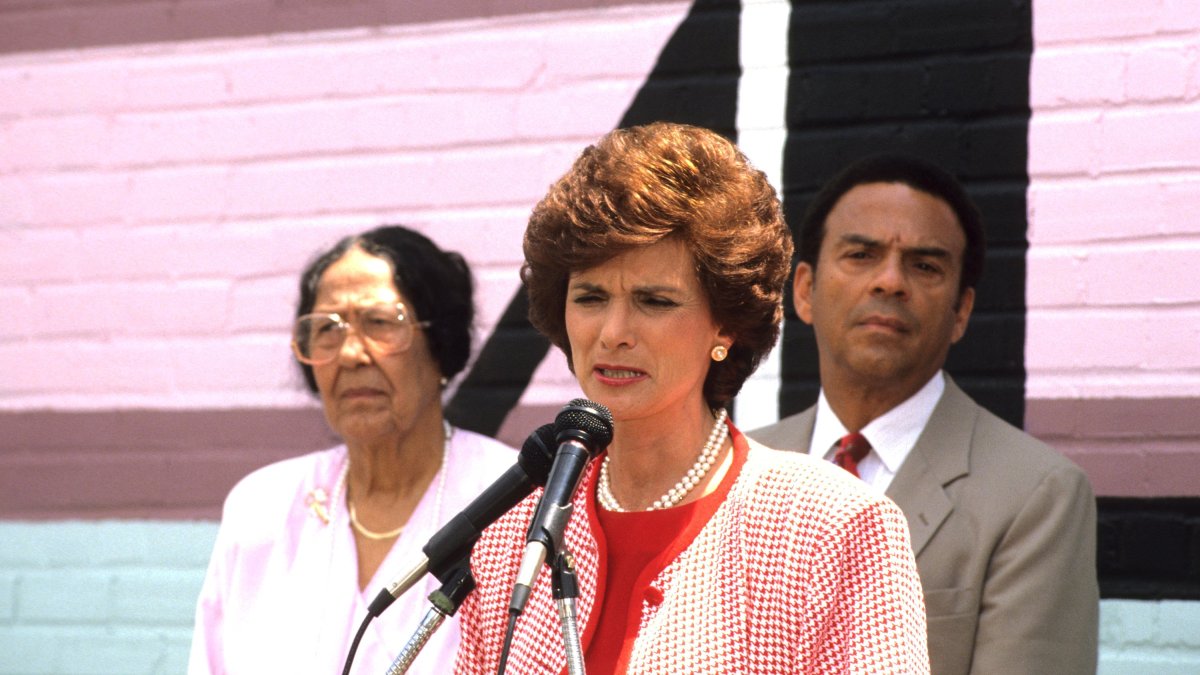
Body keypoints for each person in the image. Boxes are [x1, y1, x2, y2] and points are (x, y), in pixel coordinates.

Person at [452, 123, 929, 673]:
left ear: (725, 325)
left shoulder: (830, 528)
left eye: (654, 301)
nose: (613, 332)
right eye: (590, 297)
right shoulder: (512, 536)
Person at [749, 154, 1099, 675]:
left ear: (961, 312)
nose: (890, 281)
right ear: (804, 290)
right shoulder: (735, 466)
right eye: (861, 255)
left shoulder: (1037, 496)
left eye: (925, 265)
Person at [188, 225, 517, 674]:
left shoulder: (512, 499)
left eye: (379, 322)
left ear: (441, 343)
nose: (350, 354)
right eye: (327, 328)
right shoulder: (263, 507)